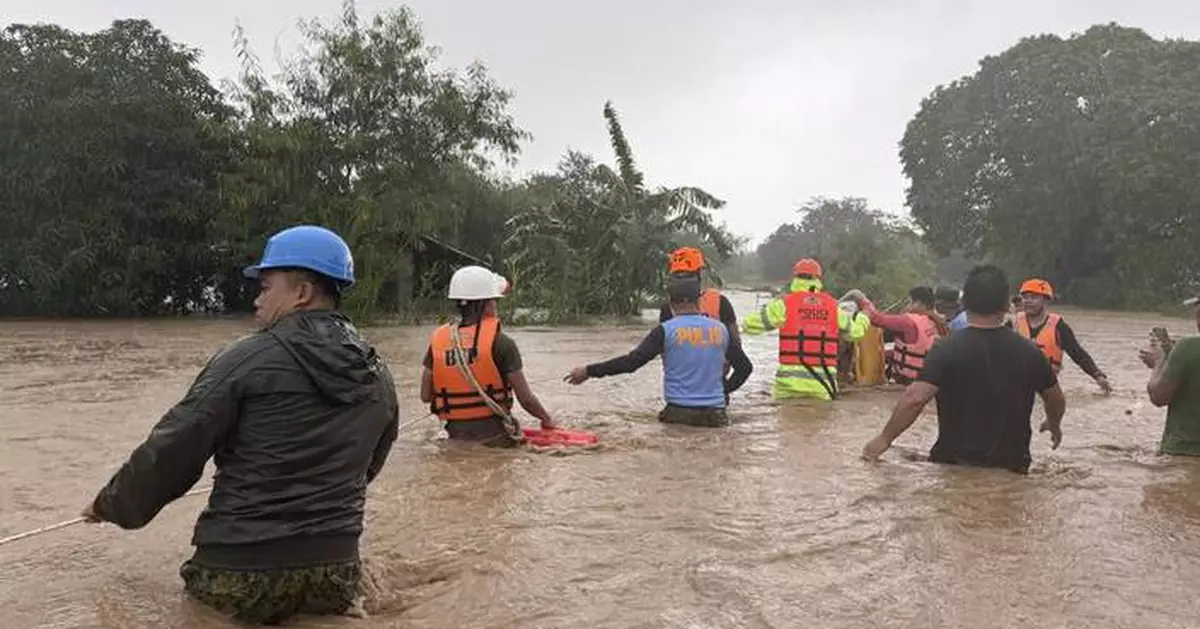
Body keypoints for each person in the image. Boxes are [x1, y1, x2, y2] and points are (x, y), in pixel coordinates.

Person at [81, 225, 400, 625]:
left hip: (236, 573)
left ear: (302, 293)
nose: (257, 300)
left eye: (266, 287)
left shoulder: (244, 358)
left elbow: (174, 448)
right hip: (335, 576)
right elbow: (369, 465)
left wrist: (109, 503)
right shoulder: (378, 372)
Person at [862, 264, 1067, 474]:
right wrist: (1054, 423)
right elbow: (1056, 399)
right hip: (1012, 467)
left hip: (952, 466)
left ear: (964, 302)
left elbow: (915, 399)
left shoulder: (945, 349)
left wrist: (884, 439)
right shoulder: (1030, 352)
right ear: (1007, 304)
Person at [564, 275, 752, 427]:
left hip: (678, 414)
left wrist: (589, 371)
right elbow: (745, 368)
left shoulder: (666, 330)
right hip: (716, 416)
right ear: (698, 301)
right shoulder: (721, 330)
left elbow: (632, 363)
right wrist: (724, 389)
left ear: (671, 303)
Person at [420, 265, 556, 446]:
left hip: (454, 442)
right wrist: (546, 419)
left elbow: (425, 396)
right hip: (496, 441)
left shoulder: (438, 342)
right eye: (494, 300)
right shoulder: (502, 343)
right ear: (486, 304)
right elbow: (526, 399)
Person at [741, 258, 869, 400]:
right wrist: (863, 316)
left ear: (795, 278)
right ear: (818, 279)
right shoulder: (833, 306)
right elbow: (856, 333)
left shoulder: (784, 304)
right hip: (822, 389)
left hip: (787, 390)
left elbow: (748, 325)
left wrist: (772, 305)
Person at [1011, 278, 1112, 394]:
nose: (1028, 301)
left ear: (1045, 300)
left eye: (1033, 298)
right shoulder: (1014, 324)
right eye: (1025, 297)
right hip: (1017, 385)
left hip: (1046, 387)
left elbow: (1077, 353)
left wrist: (1097, 375)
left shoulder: (1059, 327)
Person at [848, 286, 948, 385]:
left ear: (918, 304)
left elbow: (876, 319)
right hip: (930, 378)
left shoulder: (908, 322)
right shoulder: (938, 322)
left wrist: (863, 301)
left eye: (909, 302)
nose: (906, 306)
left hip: (907, 381)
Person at [1139, 295, 1200, 456]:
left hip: (1183, 453)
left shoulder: (1187, 347)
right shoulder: (1185, 348)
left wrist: (1159, 362)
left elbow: (1159, 397)